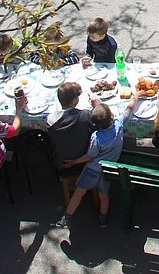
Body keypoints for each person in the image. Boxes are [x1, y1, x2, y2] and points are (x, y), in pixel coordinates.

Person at [56, 92, 139, 228]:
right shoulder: (118, 124)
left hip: (93, 170)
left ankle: (67, 217)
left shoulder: (97, 137)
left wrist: (74, 162)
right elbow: (129, 109)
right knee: (104, 195)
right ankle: (103, 219)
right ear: (112, 116)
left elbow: (90, 156)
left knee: (79, 191)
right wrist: (136, 97)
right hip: (109, 169)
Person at [47, 82, 97, 178]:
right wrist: (97, 107)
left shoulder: (50, 120)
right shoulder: (85, 115)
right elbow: (98, 127)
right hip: (85, 162)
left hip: (62, 164)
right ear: (74, 101)